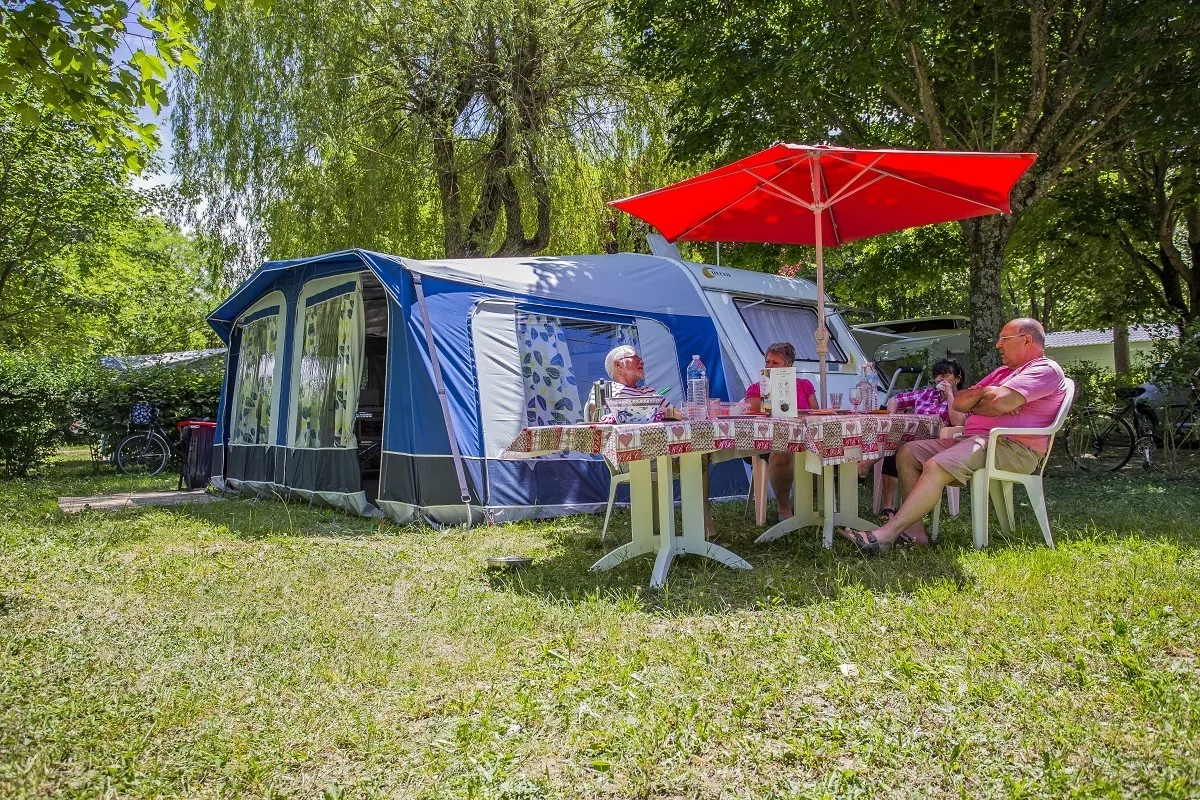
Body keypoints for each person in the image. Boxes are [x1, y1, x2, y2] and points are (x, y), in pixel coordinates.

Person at [838, 318, 1067, 554]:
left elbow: (998, 403)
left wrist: (992, 400)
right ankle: (915, 533)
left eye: (1004, 339)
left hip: (1012, 447)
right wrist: (988, 393)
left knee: (936, 465)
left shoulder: (1044, 369)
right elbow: (959, 402)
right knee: (908, 452)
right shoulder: (1003, 372)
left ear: (1027, 340)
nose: (998, 345)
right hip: (974, 440)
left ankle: (885, 535)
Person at [603, 345, 717, 539]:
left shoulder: (647, 390)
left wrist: (666, 412)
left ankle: (699, 524)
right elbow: (612, 421)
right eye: (635, 357)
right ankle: (697, 529)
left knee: (700, 452)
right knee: (695, 456)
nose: (642, 361)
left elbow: (676, 415)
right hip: (629, 456)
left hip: (659, 450)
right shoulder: (607, 391)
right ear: (618, 364)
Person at [859, 358, 967, 517]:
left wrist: (950, 394)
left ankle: (864, 466)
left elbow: (959, 422)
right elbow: (895, 399)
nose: (939, 380)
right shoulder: (927, 393)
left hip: (939, 443)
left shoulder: (963, 398)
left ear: (957, 379)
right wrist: (892, 417)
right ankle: (887, 507)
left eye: (944, 375)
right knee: (896, 445)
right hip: (910, 439)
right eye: (937, 376)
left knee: (896, 441)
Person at [743, 342, 818, 522]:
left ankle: (805, 502)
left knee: (820, 451)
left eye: (775, 363)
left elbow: (815, 414)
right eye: (767, 362)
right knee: (782, 451)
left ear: (789, 366)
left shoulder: (804, 385)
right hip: (768, 441)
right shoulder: (756, 388)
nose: (769, 366)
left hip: (802, 440)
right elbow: (752, 421)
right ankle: (784, 507)